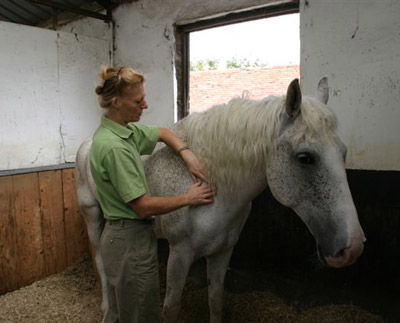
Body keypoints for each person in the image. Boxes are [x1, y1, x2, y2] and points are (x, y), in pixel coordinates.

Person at [90, 66, 213, 323]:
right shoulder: (115, 148)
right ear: (116, 103)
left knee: (120, 312)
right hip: (129, 240)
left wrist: (186, 154)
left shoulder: (125, 132)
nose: (145, 105)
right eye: (138, 100)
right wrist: (188, 198)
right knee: (141, 315)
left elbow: (164, 133)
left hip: (121, 239)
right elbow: (143, 206)